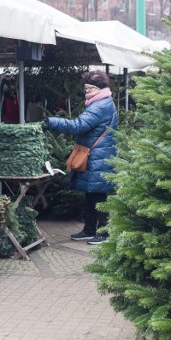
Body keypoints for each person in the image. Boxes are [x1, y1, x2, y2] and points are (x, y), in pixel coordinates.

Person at [43, 71, 118, 245]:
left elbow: (79, 125)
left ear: (99, 88)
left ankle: (105, 233)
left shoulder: (100, 106)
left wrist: (52, 122)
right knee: (91, 195)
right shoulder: (101, 102)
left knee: (99, 196)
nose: (87, 92)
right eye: (86, 88)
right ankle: (90, 230)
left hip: (99, 156)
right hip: (96, 155)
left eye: (90, 88)